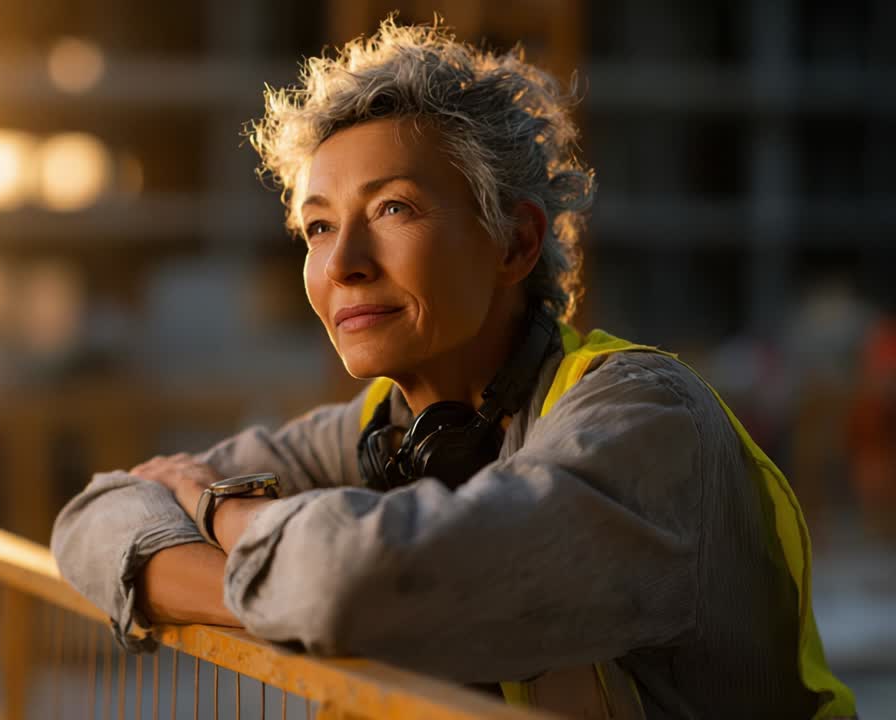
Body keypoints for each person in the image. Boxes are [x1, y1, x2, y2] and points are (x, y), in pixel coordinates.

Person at [52, 19, 856, 719]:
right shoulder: (384, 430)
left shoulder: (646, 421)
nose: (344, 263)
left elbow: (351, 585)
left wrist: (219, 510)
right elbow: (93, 520)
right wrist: (279, 592)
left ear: (515, 242)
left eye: (393, 208)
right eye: (319, 226)